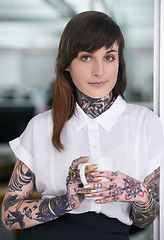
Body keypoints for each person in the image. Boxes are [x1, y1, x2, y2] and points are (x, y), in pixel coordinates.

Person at [1, 11, 164, 240]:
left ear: (119, 61)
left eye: (109, 57)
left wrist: (137, 193)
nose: (99, 71)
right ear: (67, 63)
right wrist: (66, 202)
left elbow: (147, 218)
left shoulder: (146, 123)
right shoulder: (41, 126)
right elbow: (9, 216)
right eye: (86, 57)